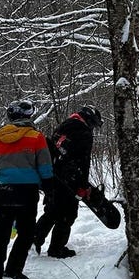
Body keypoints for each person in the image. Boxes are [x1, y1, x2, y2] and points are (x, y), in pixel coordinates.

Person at [0, 99, 53, 279]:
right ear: (28, 116)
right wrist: (49, 186)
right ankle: (14, 269)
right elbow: (45, 167)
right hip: (27, 192)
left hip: (3, 191)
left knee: (0, 236)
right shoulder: (36, 137)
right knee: (25, 233)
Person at [35, 105, 101, 258]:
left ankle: (34, 239)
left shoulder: (63, 126)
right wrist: (82, 186)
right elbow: (84, 161)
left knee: (51, 211)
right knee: (68, 214)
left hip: (52, 175)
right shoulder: (84, 132)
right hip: (69, 178)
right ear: (89, 120)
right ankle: (57, 249)